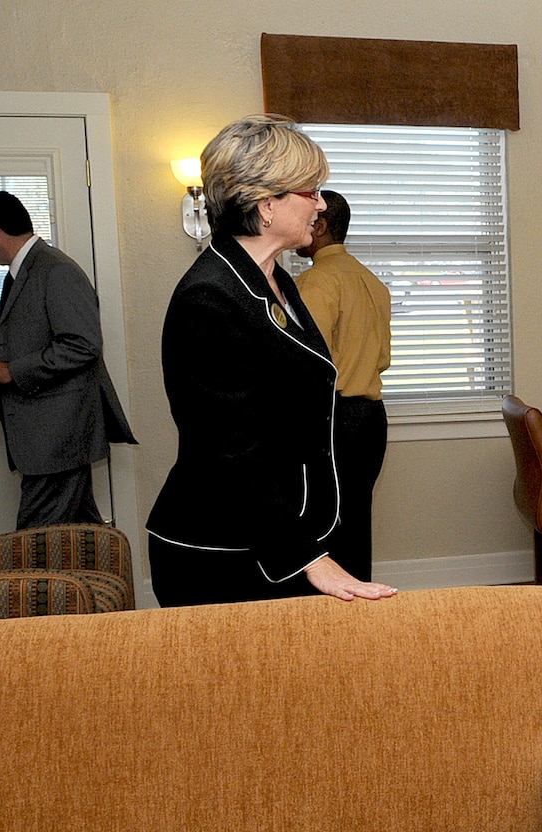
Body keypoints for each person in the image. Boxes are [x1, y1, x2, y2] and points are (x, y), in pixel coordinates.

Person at [146, 114, 397, 607]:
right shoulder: (210, 297)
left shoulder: (273, 279)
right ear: (266, 204)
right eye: (311, 191)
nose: (321, 205)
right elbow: (229, 450)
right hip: (222, 552)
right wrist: (310, 559)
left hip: (275, 538)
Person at [0, 190, 135, 528]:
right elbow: (15, 356)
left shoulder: (56, 270)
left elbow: (83, 345)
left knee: (35, 544)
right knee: (78, 537)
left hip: (57, 440)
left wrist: (9, 371)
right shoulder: (20, 273)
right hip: (49, 441)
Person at [293, 189, 392, 582]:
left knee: (327, 528)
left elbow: (309, 363)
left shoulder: (317, 282)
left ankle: (333, 625)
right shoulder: (372, 281)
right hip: (371, 419)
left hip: (336, 418)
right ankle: (360, 618)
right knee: (355, 524)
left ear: (321, 226)